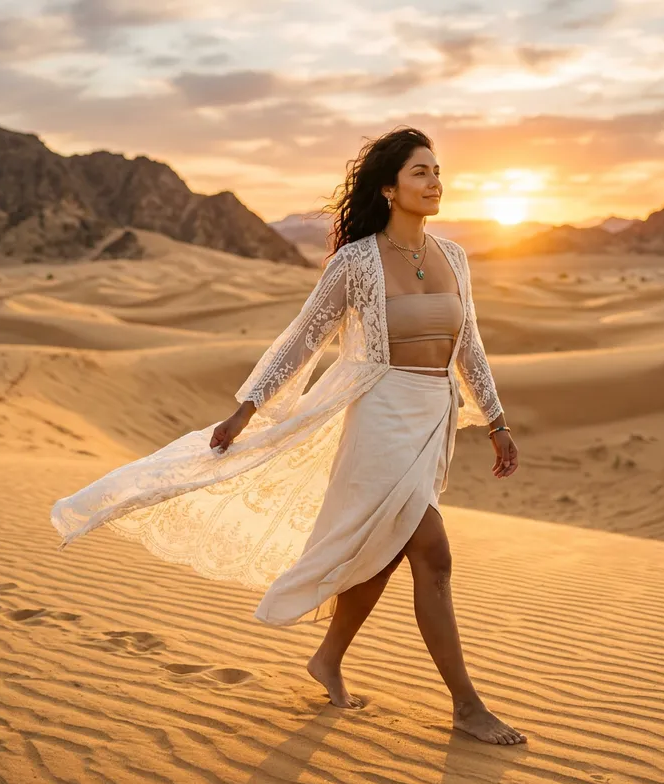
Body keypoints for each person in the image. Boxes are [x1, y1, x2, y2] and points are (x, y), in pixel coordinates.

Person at [51, 126, 524, 746]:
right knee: (432, 554)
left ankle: (327, 657)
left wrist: (496, 420)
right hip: (379, 418)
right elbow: (303, 338)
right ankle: (466, 705)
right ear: (389, 188)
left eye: (438, 171)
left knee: (380, 550)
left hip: (433, 417)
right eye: (421, 172)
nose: (436, 182)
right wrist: (247, 409)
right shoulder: (355, 262)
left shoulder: (455, 257)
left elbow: (471, 349)